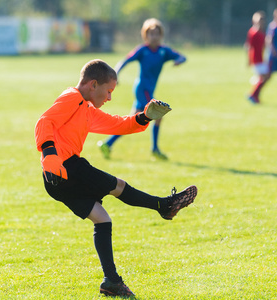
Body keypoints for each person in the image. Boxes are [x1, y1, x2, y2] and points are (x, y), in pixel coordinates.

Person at [34, 59, 198, 297]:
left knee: (102, 219)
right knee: (118, 186)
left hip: (56, 181)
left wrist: (144, 117)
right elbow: (44, 121)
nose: (109, 97)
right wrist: (49, 154)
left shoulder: (87, 109)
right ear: (93, 84)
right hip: (66, 167)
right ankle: (163, 205)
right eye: (108, 91)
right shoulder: (72, 98)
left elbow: (118, 124)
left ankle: (111, 281)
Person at [98, 18, 186, 160]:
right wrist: (116, 75)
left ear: (161, 35)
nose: (154, 37)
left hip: (148, 90)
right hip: (142, 89)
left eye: (157, 34)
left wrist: (179, 61)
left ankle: (107, 144)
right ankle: (155, 149)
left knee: (131, 122)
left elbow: (182, 57)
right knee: (158, 114)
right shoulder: (142, 50)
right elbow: (123, 61)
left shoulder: (164, 51)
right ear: (145, 36)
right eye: (151, 34)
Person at [253, 6, 277, 104]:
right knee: (267, 77)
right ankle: (254, 94)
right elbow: (269, 39)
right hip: (272, 57)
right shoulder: (273, 27)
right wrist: (273, 50)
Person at [245, 11, 267, 104]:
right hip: (256, 58)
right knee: (264, 77)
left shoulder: (261, 32)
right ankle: (252, 95)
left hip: (261, 58)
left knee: (263, 77)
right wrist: (248, 60)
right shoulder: (253, 32)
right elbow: (248, 46)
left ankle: (254, 95)